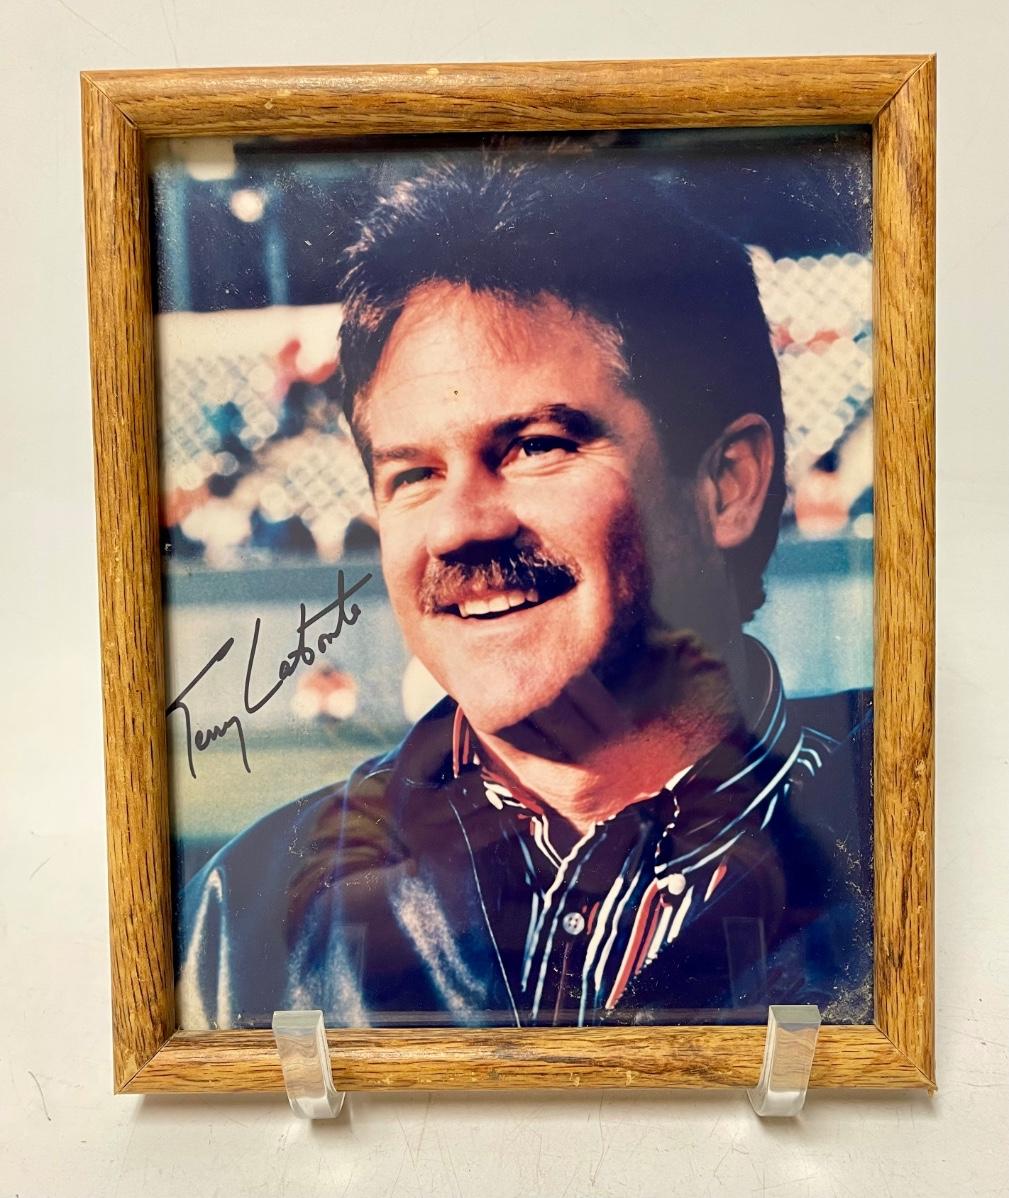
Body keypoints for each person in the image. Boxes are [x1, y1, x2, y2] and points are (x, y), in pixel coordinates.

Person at [177, 153, 873, 1031]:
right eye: (413, 473)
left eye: (537, 446)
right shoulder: (242, 922)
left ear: (726, 485)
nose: (460, 526)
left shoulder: (921, 849)